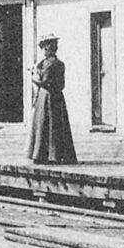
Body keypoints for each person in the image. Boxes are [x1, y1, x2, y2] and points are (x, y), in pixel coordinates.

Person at [27, 34, 78, 165]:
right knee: (47, 124)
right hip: (48, 97)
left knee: (49, 124)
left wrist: (35, 79)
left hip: (49, 97)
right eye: (43, 47)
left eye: (46, 47)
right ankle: (47, 154)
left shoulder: (54, 64)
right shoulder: (46, 63)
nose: (44, 50)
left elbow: (47, 82)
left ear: (51, 48)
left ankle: (49, 154)